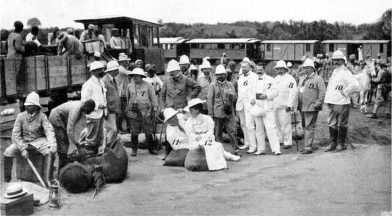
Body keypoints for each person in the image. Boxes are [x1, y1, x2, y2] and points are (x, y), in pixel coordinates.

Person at [3, 92, 56, 184]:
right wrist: (22, 148)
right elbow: (15, 135)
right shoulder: (20, 116)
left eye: (30, 106)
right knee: (7, 152)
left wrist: (52, 144)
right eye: (26, 105)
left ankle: (48, 179)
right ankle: (7, 180)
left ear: (36, 106)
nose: (27, 107)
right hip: (23, 142)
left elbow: (49, 131)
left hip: (38, 141)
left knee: (49, 151)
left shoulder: (42, 116)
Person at [324, 50, 360, 152]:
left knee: (342, 124)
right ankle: (332, 143)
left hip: (342, 102)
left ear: (343, 60)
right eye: (335, 60)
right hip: (332, 101)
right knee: (331, 123)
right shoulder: (335, 71)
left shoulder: (345, 72)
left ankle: (341, 144)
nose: (336, 62)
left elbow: (355, 85)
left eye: (338, 60)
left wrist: (345, 92)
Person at [48, 99, 96, 171]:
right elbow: (69, 130)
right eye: (89, 111)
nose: (89, 113)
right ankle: (61, 171)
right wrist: (78, 146)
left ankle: (63, 164)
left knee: (65, 144)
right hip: (56, 118)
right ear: (86, 107)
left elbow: (71, 127)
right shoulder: (76, 110)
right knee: (63, 146)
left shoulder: (81, 109)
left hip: (60, 118)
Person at [126, 68, 158, 156]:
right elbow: (127, 98)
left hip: (146, 112)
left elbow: (153, 97)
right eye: (133, 76)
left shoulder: (148, 85)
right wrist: (128, 110)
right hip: (134, 112)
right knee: (134, 131)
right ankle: (134, 150)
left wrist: (154, 107)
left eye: (137, 76)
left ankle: (151, 149)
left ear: (141, 77)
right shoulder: (129, 86)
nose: (135, 78)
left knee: (148, 132)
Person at [207, 65, 238, 152]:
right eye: (218, 74)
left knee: (232, 131)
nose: (220, 76)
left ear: (225, 74)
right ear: (216, 75)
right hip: (218, 113)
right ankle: (219, 151)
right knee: (217, 133)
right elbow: (210, 99)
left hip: (229, 112)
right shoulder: (213, 85)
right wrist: (210, 113)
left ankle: (236, 149)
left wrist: (231, 96)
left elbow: (235, 98)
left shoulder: (230, 84)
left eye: (222, 74)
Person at [298, 59, 326, 154]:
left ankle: (308, 147)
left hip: (312, 107)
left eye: (306, 68)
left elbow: (322, 93)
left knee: (309, 127)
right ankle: (306, 145)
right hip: (303, 106)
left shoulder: (318, 79)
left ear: (311, 68)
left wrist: (317, 104)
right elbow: (300, 91)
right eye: (304, 68)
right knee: (305, 126)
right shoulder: (303, 79)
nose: (305, 69)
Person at [251, 65, 280, 155]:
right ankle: (261, 149)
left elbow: (276, 92)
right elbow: (250, 92)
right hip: (257, 106)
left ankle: (276, 149)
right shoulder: (253, 80)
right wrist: (251, 99)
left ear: (264, 70)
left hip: (267, 107)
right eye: (257, 69)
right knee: (259, 129)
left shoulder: (270, 80)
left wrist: (267, 95)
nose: (259, 71)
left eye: (261, 69)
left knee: (271, 128)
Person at [81, 61, 107, 155]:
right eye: (100, 70)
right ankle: (89, 156)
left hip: (101, 113)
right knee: (91, 137)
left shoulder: (101, 82)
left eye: (102, 69)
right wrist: (97, 104)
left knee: (99, 136)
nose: (102, 71)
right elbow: (84, 101)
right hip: (93, 114)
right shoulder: (88, 85)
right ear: (94, 71)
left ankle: (96, 155)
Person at [273, 60, 298, 149]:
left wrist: (290, 104)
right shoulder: (275, 79)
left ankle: (287, 142)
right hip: (276, 105)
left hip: (285, 106)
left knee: (285, 125)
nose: (279, 70)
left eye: (281, 69)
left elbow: (293, 92)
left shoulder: (290, 79)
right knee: (276, 124)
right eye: (277, 69)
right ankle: (279, 140)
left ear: (285, 69)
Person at [236, 61, 258, 152]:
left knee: (250, 125)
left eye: (245, 67)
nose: (244, 68)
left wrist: (254, 100)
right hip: (241, 103)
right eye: (242, 67)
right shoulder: (240, 78)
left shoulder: (254, 77)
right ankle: (247, 143)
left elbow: (256, 90)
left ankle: (253, 146)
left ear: (250, 67)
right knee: (243, 124)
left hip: (250, 104)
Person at [102, 61, 121, 147]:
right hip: (109, 109)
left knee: (111, 129)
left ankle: (109, 146)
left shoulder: (113, 79)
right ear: (112, 70)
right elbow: (103, 96)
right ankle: (107, 146)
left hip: (113, 108)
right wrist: (106, 109)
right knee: (112, 129)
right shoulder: (105, 81)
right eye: (116, 70)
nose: (118, 71)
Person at [117, 53, 132, 132]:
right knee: (124, 111)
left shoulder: (122, 69)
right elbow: (129, 73)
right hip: (122, 93)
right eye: (126, 61)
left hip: (124, 92)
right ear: (122, 62)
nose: (127, 63)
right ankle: (123, 128)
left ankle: (125, 127)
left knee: (125, 111)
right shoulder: (121, 69)